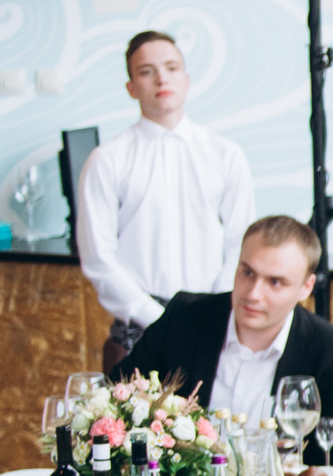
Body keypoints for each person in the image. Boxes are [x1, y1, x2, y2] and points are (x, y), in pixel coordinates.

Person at [75, 30, 256, 373]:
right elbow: (99, 259)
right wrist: (160, 319)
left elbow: (240, 243)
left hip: (214, 318)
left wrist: (210, 311)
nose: (161, 78)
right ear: (131, 87)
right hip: (138, 326)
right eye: (146, 71)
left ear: (186, 80)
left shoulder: (225, 154)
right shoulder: (107, 159)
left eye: (171, 67)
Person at [116, 215, 333, 463]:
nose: (253, 294)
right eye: (247, 272)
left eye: (275, 282)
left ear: (306, 288)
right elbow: (119, 393)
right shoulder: (184, 318)